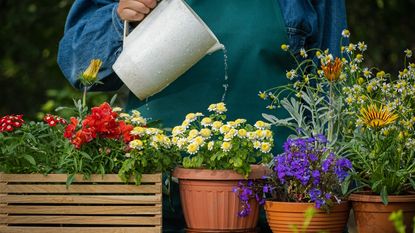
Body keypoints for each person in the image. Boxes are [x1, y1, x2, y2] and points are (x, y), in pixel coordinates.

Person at [57, 0, 347, 232]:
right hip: (156, 205)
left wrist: (323, 188)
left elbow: (331, 94)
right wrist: (119, 17)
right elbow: (77, 63)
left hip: (276, 206)